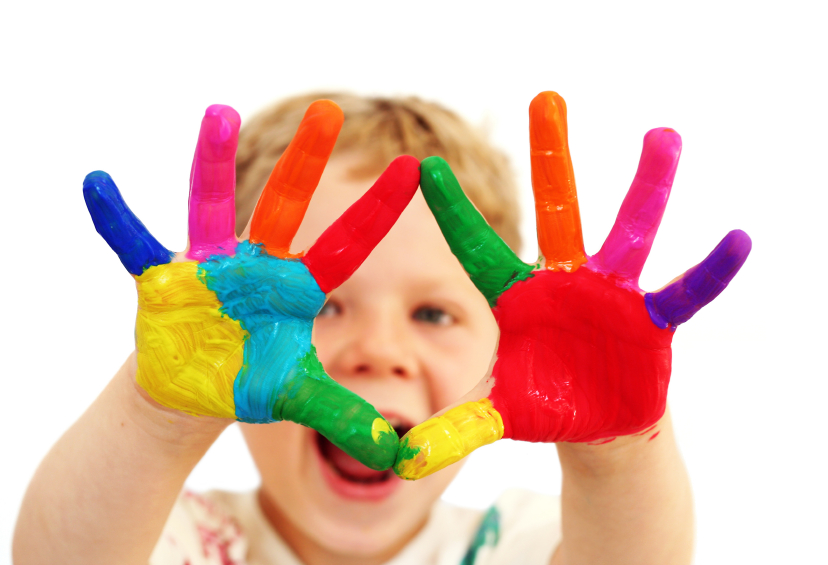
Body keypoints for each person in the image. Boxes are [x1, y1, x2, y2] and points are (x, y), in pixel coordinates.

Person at [12, 91, 737, 565]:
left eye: (433, 313)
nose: (380, 351)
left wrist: (616, 451)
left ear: (500, 351)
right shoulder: (178, 538)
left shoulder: (509, 543)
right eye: (323, 306)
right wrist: (156, 417)